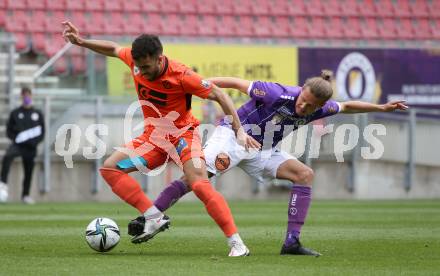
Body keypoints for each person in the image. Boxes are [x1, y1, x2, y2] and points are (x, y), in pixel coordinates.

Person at [150, 71, 408, 256]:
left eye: (309, 105)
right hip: (234, 135)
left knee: (304, 174)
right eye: (302, 99)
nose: (303, 105)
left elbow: (348, 106)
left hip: (263, 149)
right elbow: (235, 83)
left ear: (320, 106)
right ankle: (152, 216)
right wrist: (193, 85)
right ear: (301, 89)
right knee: (195, 178)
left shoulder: (323, 108)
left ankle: (292, 243)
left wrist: (381, 108)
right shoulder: (277, 93)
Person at [62, 21, 260, 257]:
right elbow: (114, 49)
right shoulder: (136, 62)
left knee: (198, 183)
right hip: (153, 140)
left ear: (159, 58)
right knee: (110, 168)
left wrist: (238, 130)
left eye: (145, 67)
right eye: (138, 67)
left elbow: (220, 95)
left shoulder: (183, 75)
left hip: (182, 136)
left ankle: (237, 243)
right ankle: (154, 217)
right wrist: (82, 42)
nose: (141, 72)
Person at [0, 87, 45, 204]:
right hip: (18, 145)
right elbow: (9, 131)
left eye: (28, 95)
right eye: (24, 95)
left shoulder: (37, 114)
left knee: (29, 170)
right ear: (21, 97)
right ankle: (3, 185)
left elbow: (42, 131)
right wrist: (16, 139)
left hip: (31, 147)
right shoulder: (15, 113)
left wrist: (34, 142)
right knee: (7, 157)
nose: (26, 98)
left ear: (31, 96)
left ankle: (25, 195)